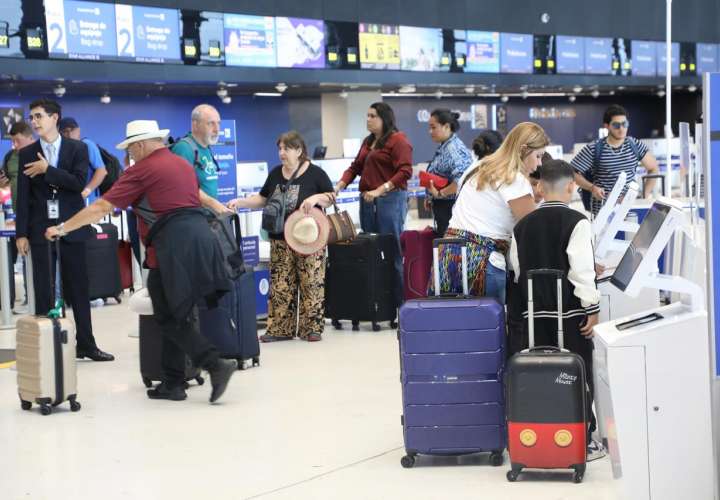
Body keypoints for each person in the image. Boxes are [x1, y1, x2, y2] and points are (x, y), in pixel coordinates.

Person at [44, 119, 238, 403]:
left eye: (131, 149)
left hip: (172, 248)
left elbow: (101, 206)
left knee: (168, 315)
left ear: (141, 144)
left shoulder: (144, 169)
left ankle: (215, 364)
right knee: (175, 313)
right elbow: (196, 196)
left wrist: (61, 228)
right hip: (200, 240)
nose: (130, 156)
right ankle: (173, 383)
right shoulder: (180, 164)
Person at [508, 159, 605, 461]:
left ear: (539, 187)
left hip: (533, 316)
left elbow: (516, 268)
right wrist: (592, 307)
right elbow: (582, 271)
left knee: (539, 374)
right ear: (571, 186)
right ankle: (582, 439)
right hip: (570, 315)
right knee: (578, 373)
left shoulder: (521, 225)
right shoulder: (577, 221)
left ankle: (538, 436)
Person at [15, 98, 113, 361]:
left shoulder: (77, 149)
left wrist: (48, 170)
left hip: (71, 225)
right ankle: (50, 345)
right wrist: (21, 233)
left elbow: (78, 182)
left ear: (54, 117)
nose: (34, 122)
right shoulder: (25, 153)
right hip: (39, 229)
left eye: (38, 116)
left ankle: (87, 344)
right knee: (44, 288)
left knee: (78, 286)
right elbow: (22, 197)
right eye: (32, 117)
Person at [228, 131, 335, 343]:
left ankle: (311, 328)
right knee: (280, 285)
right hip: (280, 238)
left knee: (311, 283)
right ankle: (279, 329)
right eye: (280, 148)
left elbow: (331, 197)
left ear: (299, 150)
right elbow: (263, 199)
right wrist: (241, 202)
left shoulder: (315, 174)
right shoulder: (276, 173)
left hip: (308, 241)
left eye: (286, 148)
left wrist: (315, 198)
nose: (281, 153)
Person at [432, 122, 549, 303]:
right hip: (482, 263)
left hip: (449, 255)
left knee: (451, 322)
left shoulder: (479, 167)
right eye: (539, 156)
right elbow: (532, 229)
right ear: (524, 150)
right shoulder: (514, 178)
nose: (539, 163)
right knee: (485, 326)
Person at [335, 102, 412, 304]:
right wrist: (339, 185)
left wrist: (380, 190)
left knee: (391, 249)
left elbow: (404, 172)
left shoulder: (398, 140)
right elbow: (355, 167)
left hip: (390, 201)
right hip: (368, 202)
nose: (367, 119)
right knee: (369, 248)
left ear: (384, 118)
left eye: (372, 116)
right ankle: (375, 300)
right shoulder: (368, 142)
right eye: (367, 115)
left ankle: (398, 303)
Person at [571, 104, 659, 215]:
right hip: (603, 213)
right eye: (616, 125)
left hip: (630, 209)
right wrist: (592, 188)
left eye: (624, 124)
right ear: (607, 126)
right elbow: (572, 172)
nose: (621, 129)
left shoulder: (634, 144)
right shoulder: (594, 148)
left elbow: (653, 168)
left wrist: (645, 195)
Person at [423, 109, 473, 236]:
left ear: (446, 126)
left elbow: (462, 179)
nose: (430, 131)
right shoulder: (444, 146)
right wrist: (431, 197)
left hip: (451, 209)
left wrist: (440, 193)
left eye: (433, 127)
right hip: (443, 208)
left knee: (450, 251)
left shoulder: (453, 149)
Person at [1, 121, 34, 307]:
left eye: (18, 141)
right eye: (12, 141)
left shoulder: (41, 153)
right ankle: (31, 296)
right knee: (24, 253)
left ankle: (50, 296)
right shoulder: (10, 157)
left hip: (39, 212)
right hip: (19, 213)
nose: (15, 145)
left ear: (30, 137)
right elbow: (5, 183)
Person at [171, 104, 222, 203]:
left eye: (218, 123)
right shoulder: (184, 148)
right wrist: (214, 205)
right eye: (211, 123)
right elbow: (183, 189)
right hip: (193, 216)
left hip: (210, 216)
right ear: (195, 125)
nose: (217, 129)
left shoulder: (206, 147)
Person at [57, 117, 107, 204]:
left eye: (72, 130)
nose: (69, 134)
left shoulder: (87, 145)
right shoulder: (61, 151)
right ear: (60, 134)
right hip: (69, 201)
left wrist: (86, 191)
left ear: (78, 130)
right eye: (65, 131)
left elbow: (102, 171)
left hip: (88, 201)